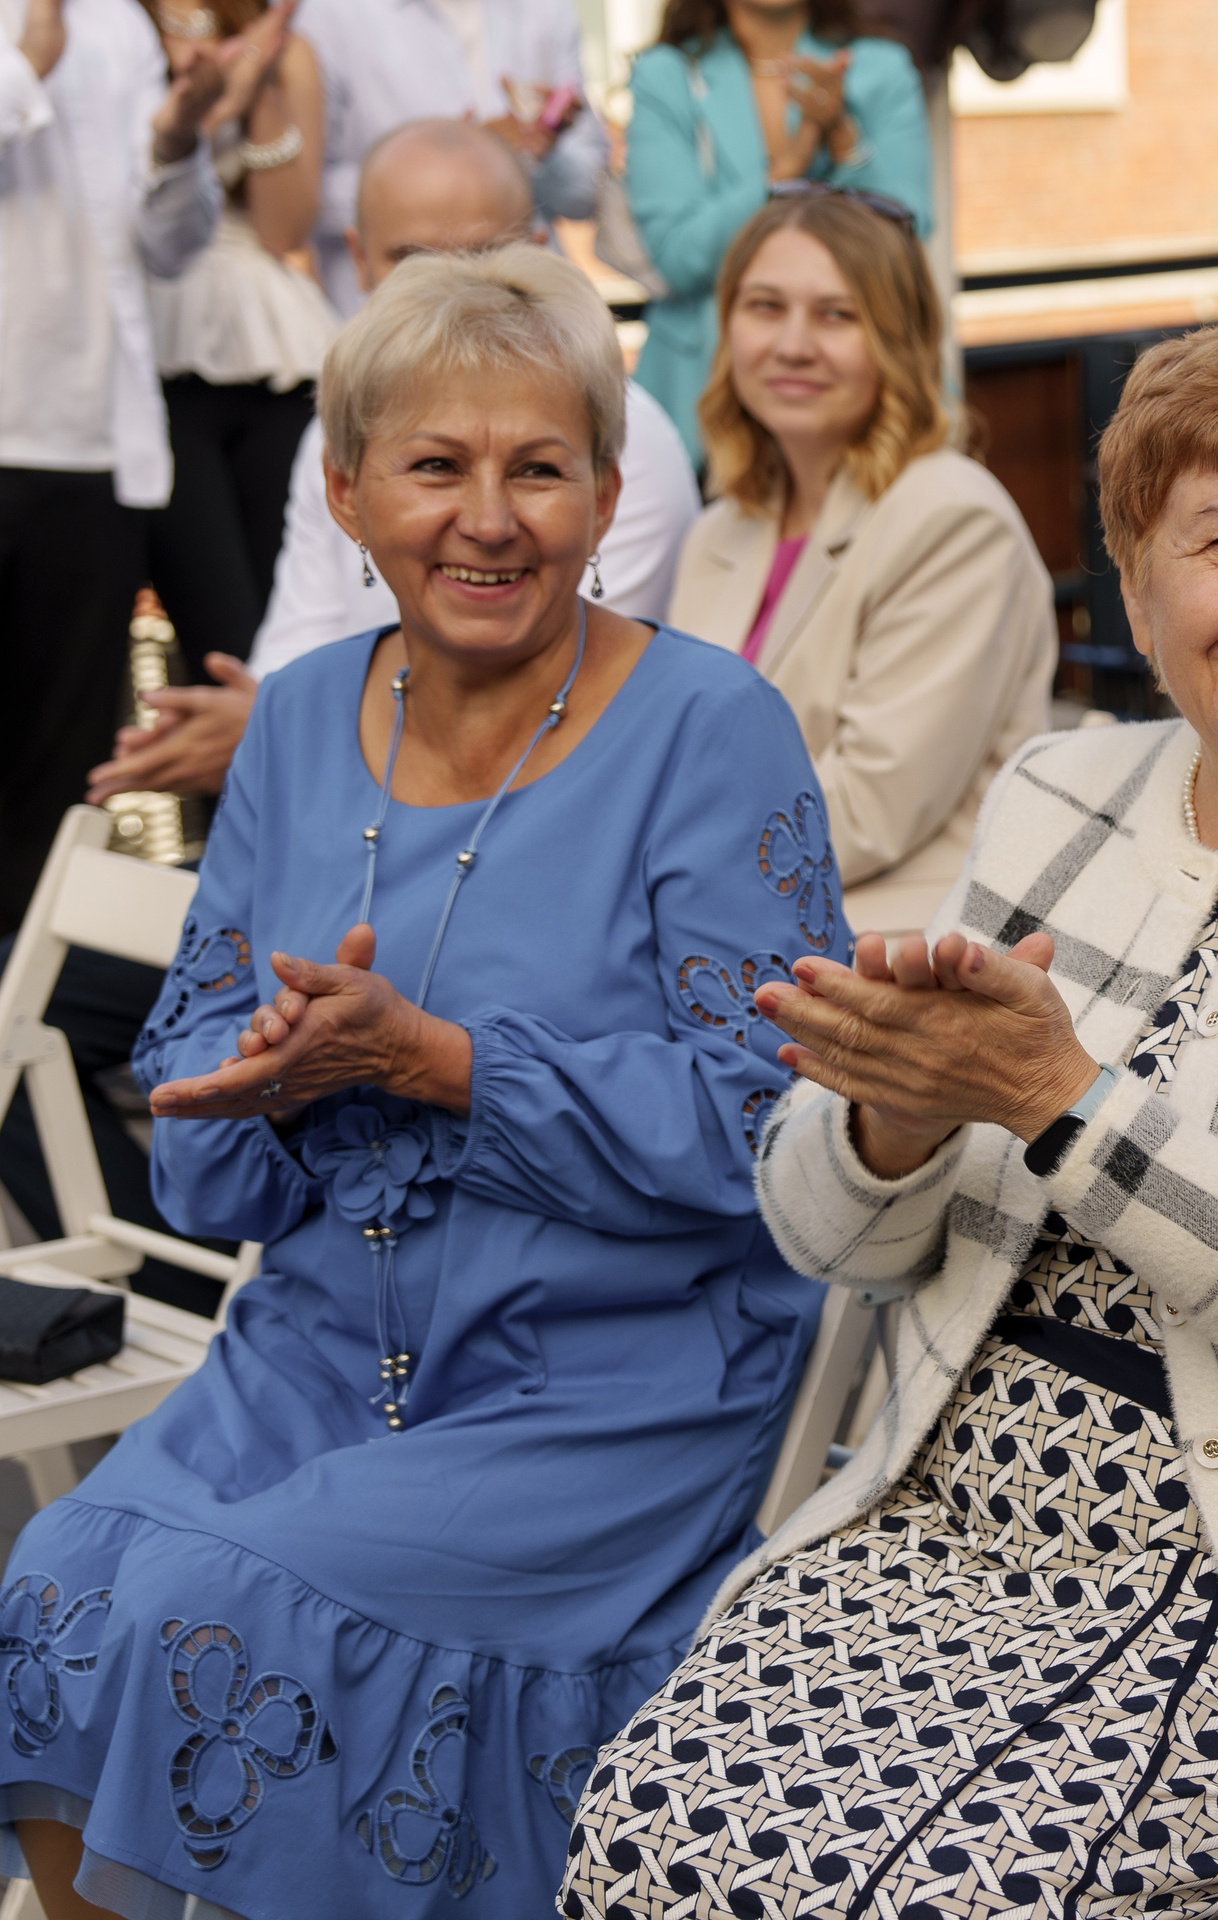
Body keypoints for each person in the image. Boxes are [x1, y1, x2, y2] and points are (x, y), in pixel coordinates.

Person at [561, 303, 1218, 1919]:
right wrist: (897, 1120)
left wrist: (1063, 1103)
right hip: (947, 1515)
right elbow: (830, 1239)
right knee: (646, 1821)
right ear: (1135, 583)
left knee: (946, 1900)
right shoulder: (1065, 797)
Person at [0, 245, 841, 1920]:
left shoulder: (708, 727)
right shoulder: (301, 720)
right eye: (436, 466)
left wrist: (435, 1063)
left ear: (609, 494)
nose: (489, 518)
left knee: (229, 1617)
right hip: (318, 1348)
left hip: (610, 1379)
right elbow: (187, 1087)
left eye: (539, 468)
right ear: (346, 488)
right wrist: (268, 1084)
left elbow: (776, 1129)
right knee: (51, 1583)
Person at [79, 117, 698, 804]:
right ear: (361, 259)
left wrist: (272, 731)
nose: (452, 294)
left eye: (533, 472)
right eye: (415, 262)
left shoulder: (617, 434)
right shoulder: (341, 431)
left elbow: (558, 707)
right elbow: (294, 650)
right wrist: (267, 727)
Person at [670, 190, 1053, 933]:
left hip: (891, 945)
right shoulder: (721, 530)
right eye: (765, 307)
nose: (793, 344)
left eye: (836, 315)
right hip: (729, 924)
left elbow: (866, 811)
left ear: (899, 341)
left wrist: (653, 871)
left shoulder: (951, 518)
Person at [0, 0, 250, 931]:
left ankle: (28, 1052)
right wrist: (25, 66)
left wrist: (180, 140)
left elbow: (168, 250)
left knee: (61, 791)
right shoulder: (51, 35)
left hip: (94, 452)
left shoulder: (118, 23)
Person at [624, 0, 930, 466]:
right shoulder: (666, 74)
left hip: (857, 395)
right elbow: (677, 254)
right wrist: (790, 166)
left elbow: (908, 234)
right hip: (698, 405)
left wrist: (843, 138)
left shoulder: (880, 66)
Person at [143, 0, 336, 676]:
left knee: (292, 626)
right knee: (215, 637)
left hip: (275, 349)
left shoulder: (286, 46)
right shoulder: (113, 30)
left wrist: (262, 87)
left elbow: (285, 229)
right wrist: (219, 97)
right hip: (152, 343)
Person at [290, 0, 604, 312]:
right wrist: (433, 172)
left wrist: (532, 157)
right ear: (359, 254)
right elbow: (294, 200)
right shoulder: (325, 13)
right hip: (389, 320)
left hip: (520, 317)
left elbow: (585, 194)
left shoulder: (547, 9)